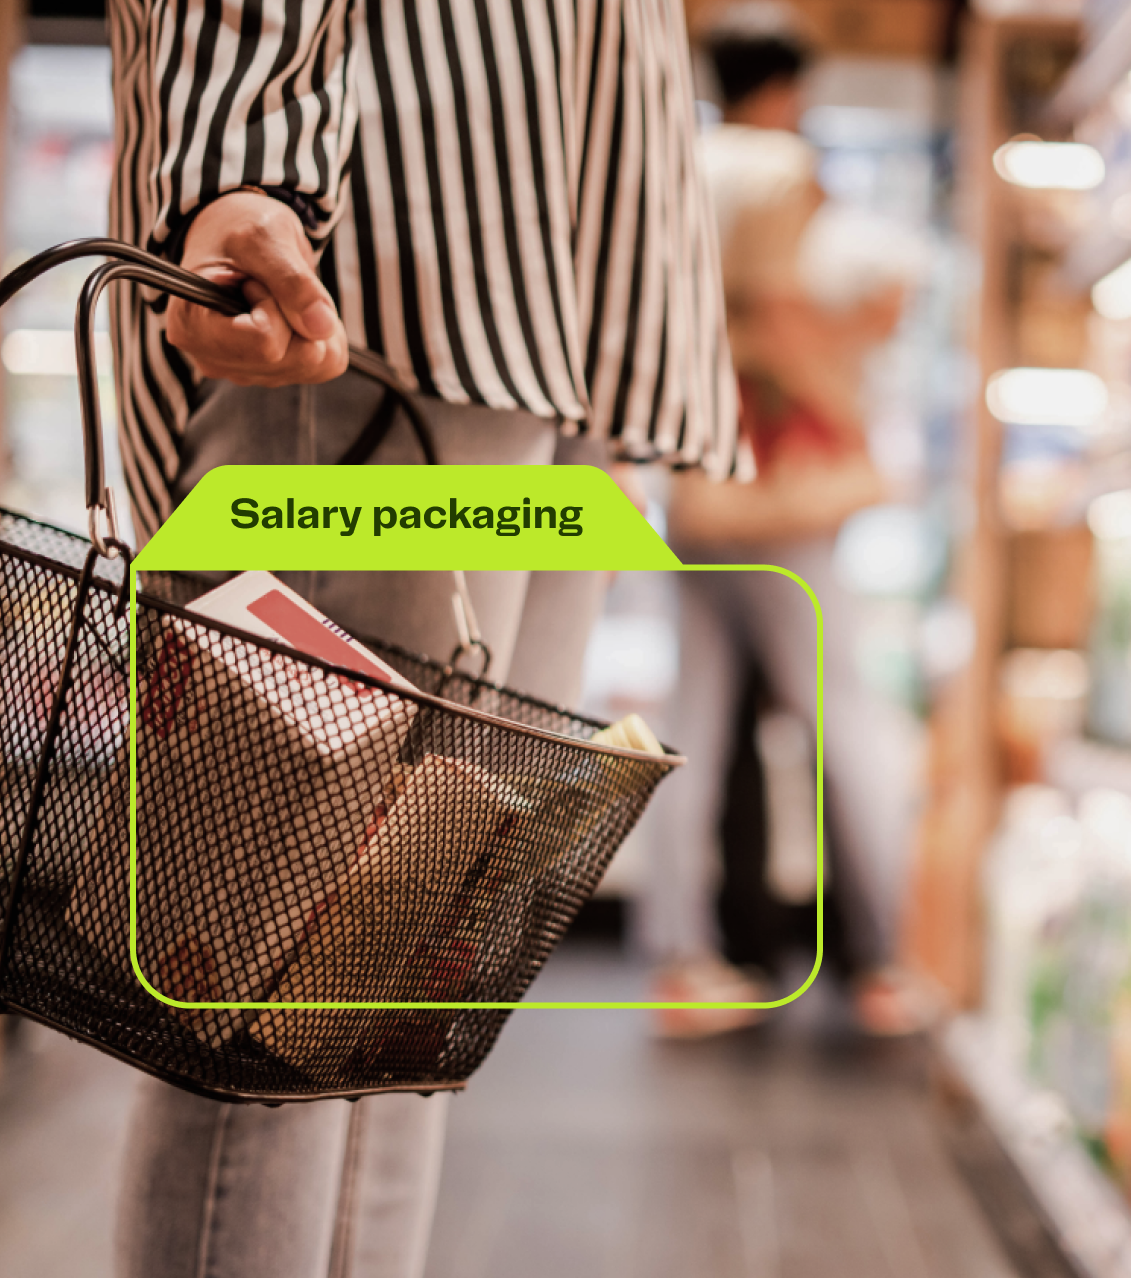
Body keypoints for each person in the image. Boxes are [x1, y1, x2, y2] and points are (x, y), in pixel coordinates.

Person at [103, 1, 734, 1275]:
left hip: (568, 296)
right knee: (268, 1004)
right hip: (373, 264)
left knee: (409, 1001)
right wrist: (240, 166)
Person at [639, 5, 935, 1037]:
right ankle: (889, 959)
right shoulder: (777, 173)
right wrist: (863, 435)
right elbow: (775, 320)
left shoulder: (677, 161)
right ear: (790, 87)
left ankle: (678, 956)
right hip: (776, 490)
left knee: (694, 726)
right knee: (844, 722)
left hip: (689, 480)